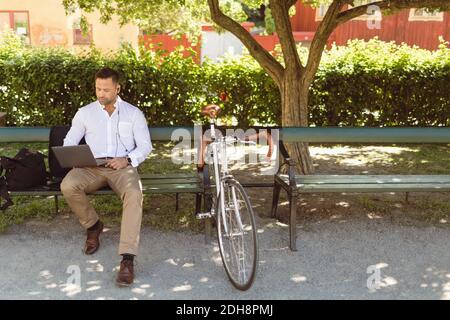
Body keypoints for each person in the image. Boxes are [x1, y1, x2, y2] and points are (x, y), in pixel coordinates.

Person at [61, 67, 152, 286]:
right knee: (68, 185)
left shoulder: (133, 113)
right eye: (97, 89)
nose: (100, 93)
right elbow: (69, 140)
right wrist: (73, 156)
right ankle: (93, 226)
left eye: (106, 89)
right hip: (91, 166)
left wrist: (127, 160)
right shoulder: (85, 113)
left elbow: (145, 146)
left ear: (117, 88)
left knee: (133, 192)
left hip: (122, 166)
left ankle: (127, 258)